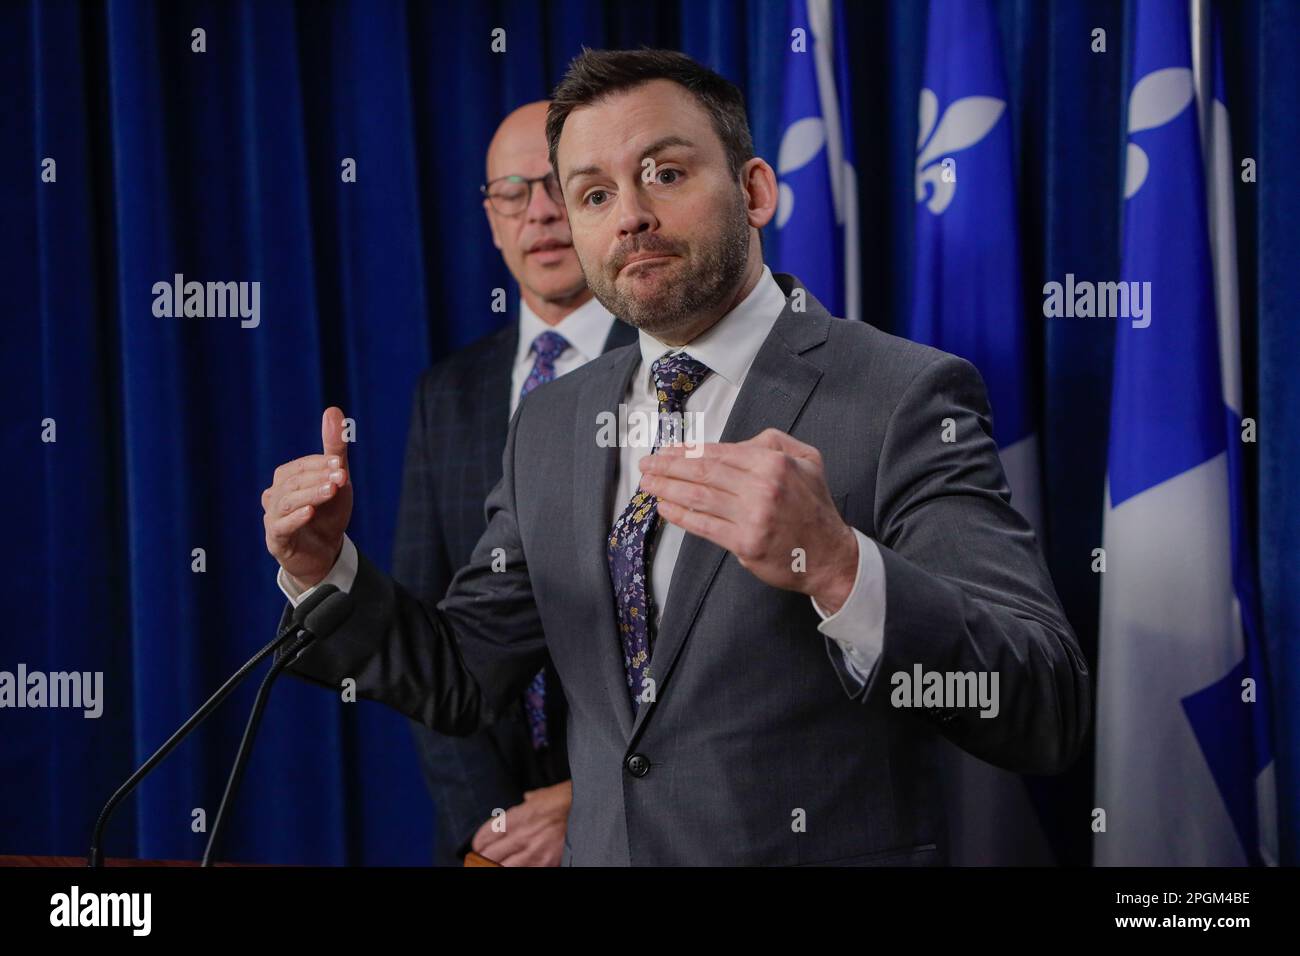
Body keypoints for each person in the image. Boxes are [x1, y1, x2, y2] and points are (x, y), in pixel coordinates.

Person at [261, 48, 1090, 866]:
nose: (629, 215)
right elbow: (462, 675)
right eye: (594, 194)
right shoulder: (549, 423)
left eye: (664, 173)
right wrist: (324, 571)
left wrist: (840, 566)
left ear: (754, 190)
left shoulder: (902, 395)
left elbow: (1043, 706)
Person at [393, 101, 635, 866]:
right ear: (493, 220)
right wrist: (488, 819)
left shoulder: (670, 365)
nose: (540, 213)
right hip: (496, 840)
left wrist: (590, 797)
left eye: (561, 186)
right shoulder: (447, 392)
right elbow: (423, 623)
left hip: (645, 815)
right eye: (512, 192)